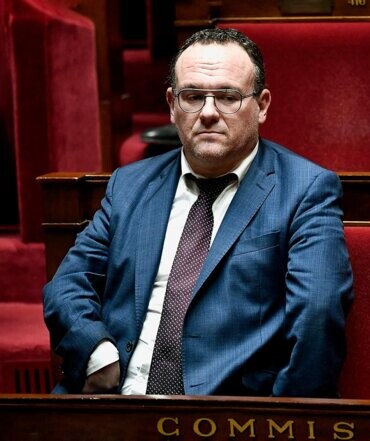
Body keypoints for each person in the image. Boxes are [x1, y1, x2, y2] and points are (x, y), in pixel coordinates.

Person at [42, 28, 354, 397]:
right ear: (173, 105)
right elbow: (67, 285)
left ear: (263, 105)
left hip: (225, 419)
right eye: (193, 96)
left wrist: (284, 421)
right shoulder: (130, 185)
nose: (208, 113)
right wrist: (98, 354)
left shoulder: (305, 190)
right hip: (111, 404)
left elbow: (317, 314)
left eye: (227, 97)